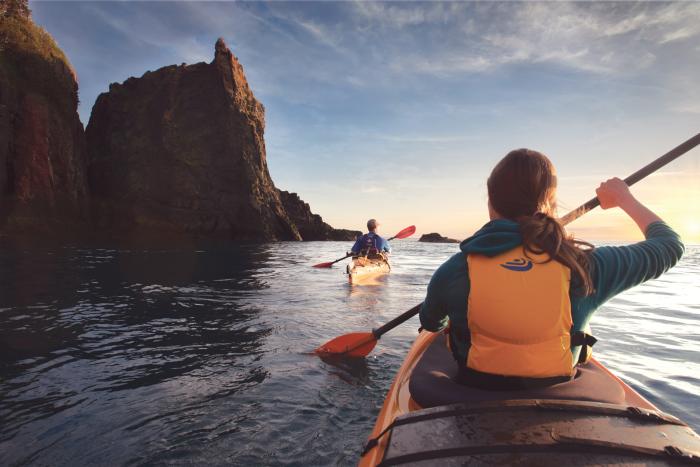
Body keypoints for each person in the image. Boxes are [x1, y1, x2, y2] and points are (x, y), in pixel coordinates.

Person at [419, 148, 684, 389]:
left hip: (473, 389)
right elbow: (670, 246)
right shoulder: (586, 266)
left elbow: (431, 322)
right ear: (551, 204)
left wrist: (450, 315)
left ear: (491, 203)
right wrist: (624, 198)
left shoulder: (454, 269)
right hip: (558, 390)